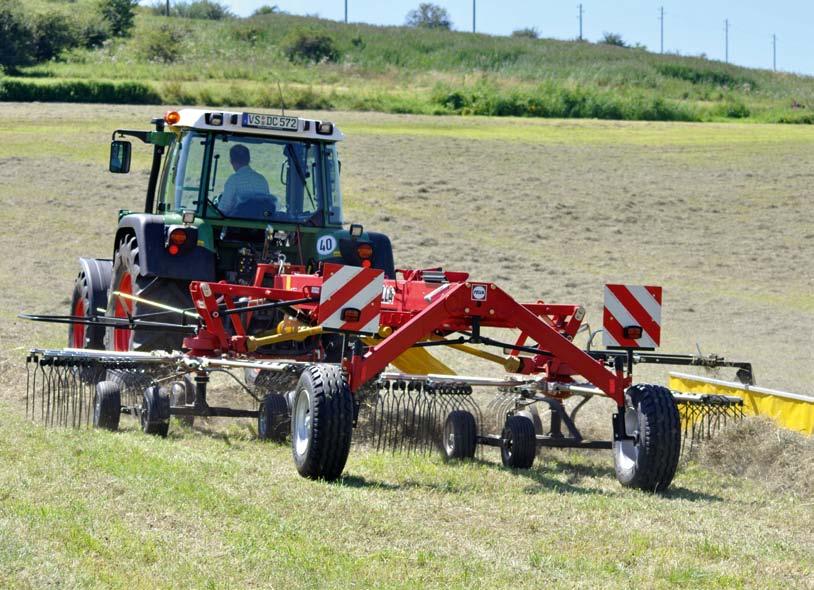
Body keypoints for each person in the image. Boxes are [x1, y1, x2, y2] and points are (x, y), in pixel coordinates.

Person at [218, 144, 271, 216]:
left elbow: (223, 209)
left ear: (232, 161)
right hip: (259, 224)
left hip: (238, 224)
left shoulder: (234, 180)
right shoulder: (262, 179)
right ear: (249, 160)